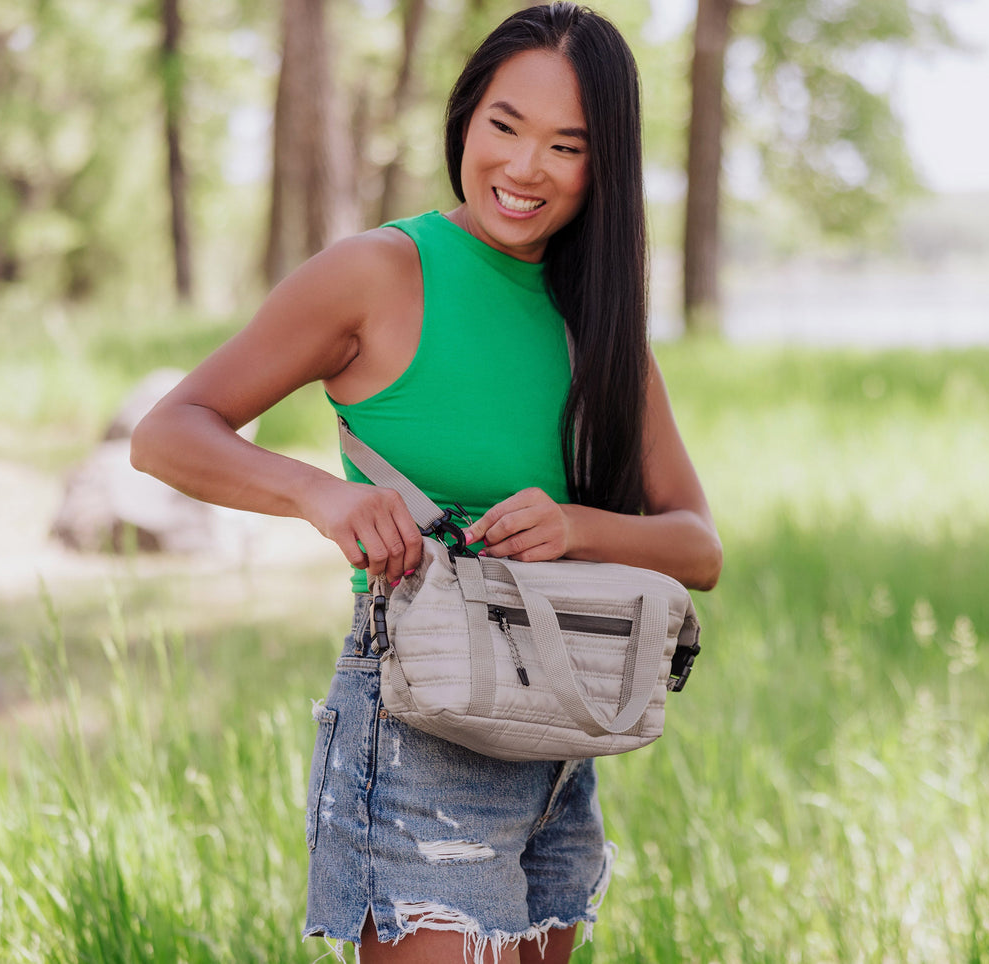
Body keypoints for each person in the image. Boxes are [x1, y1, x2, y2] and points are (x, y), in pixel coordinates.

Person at [130, 3, 722, 961]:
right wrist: (320, 496)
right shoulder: (379, 270)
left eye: (565, 146)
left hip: (561, 736)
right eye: (504, 126)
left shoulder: (597, 321)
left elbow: (698, 548)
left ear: (602, 165)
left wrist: (578, 526)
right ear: (464, 121)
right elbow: (167, 433)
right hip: (420, 729)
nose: (524, 167)